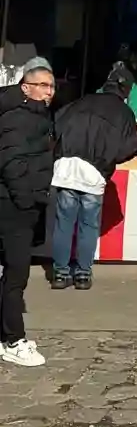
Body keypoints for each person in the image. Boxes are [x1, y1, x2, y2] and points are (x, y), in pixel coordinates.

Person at [50, 63, 137, 290]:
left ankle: (60, 274)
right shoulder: (124, 113)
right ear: (127, 90)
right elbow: (131, 147)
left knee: (64, 223)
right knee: (88, 225)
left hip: (66, 167)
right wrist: (108, 158)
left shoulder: (82, 101)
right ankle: (82, 274)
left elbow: (55, 125)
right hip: (95, 171)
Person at [0, 58, 57, 366]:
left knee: (13, 272)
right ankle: (13, 340)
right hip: (13, 206)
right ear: (25, 88)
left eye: (52, 86)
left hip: (24, 203)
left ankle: (6, 334)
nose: (49, 91)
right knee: (16, 274)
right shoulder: (18, 117)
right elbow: (11, 161)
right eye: (43, 86)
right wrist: (26, 200)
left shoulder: (38, 116)